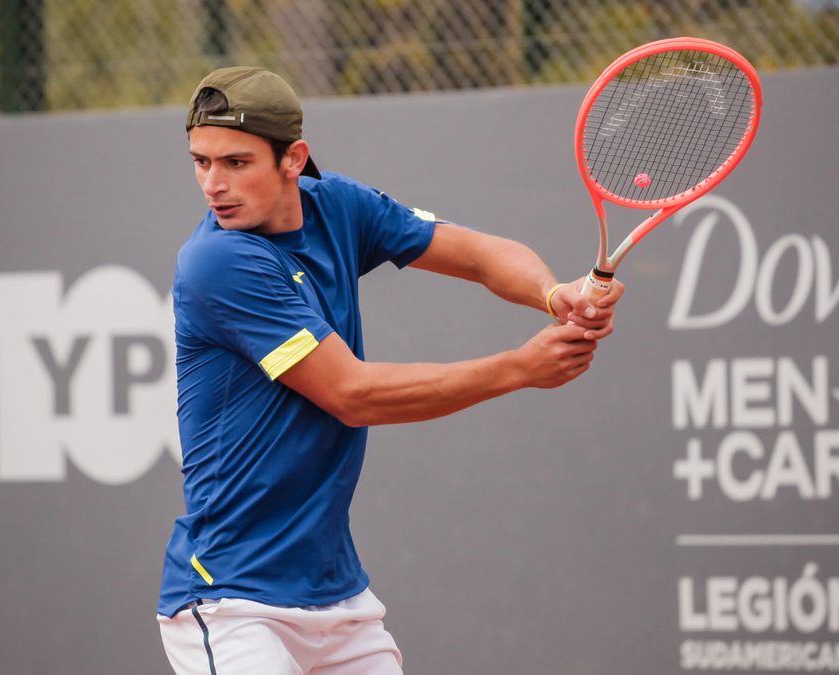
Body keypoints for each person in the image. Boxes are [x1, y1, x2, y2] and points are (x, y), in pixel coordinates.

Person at [156, 66, 624, 675]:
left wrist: (554, 292)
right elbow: (352, 394)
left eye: (236, 163)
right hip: (231, 601)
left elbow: (481, 255)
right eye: (201, 162)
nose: (213, 184)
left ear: (293, 159)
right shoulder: (219, 262)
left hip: (337, 596)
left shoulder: (341, 207)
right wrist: (518, 368)